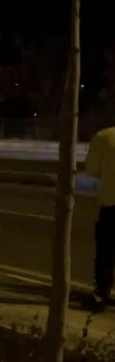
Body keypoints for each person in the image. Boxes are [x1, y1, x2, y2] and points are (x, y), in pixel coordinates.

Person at [84, 124, 115, 311]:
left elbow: (91, 169)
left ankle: (101, 294)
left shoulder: (105, 136)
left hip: (112, 203)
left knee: (106, 251)